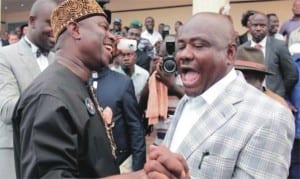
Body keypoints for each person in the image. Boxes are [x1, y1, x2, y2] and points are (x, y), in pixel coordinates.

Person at [144, 12, 295, 178]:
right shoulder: (188, 101)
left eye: (199, 45)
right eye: (181, 46)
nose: (184, 54)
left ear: (230, 53)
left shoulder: (271, 117)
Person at [0, 0, 57, 178]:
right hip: (17, 154)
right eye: (49, 23)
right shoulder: (5, 56)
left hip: (54, 156)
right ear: (32, 21)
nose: (55, 29)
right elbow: (7, 109)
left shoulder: (59, 59)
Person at [91, 66, 146, 170]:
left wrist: (137, 167)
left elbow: (135, 128)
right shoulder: (79, 82)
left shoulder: (122, 83)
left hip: (119, 163)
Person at [244, 12, 298, 98]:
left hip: (274, 98)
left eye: (262, 25)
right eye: (255, 25)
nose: (258, 28)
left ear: (268, 27)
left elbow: (291, 75)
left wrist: (280, 93)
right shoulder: (242, 48)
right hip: (250, 98)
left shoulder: (279, 46)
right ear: (249, 27)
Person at [112, 38, 149, 103]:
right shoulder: (112, 73)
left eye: (129, 55)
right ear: (117, 58)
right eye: (122, 55)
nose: (126, 58)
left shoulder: (144, 75)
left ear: (135, 57)